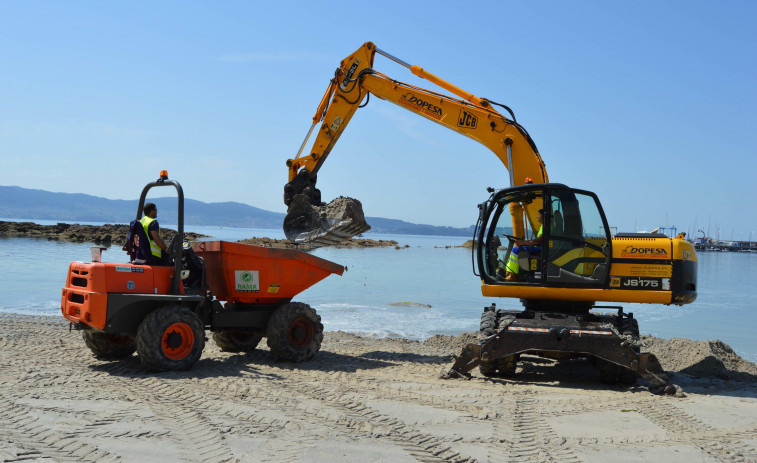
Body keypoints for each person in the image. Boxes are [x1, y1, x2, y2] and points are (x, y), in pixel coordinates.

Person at [504, 209, 545, 282]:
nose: (537, 216)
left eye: (539, 215)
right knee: (518, 249)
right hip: (540, 247)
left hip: (542, 248)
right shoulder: (544, 226)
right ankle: (508, 272)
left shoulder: (546, 226)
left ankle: (513, 275)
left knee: (515, 250)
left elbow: (540, 240)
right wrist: (525, 242)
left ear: (543, 216)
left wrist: (525, 243)